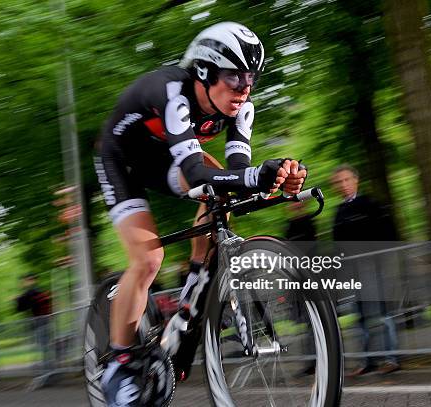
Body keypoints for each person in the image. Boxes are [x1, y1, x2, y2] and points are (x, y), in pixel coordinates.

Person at [94, 22, 307, 406]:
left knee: (222, 196)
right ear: (206, 72)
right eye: (234, 77)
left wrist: (276, 179)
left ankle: (194, 288)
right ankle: (118, 365)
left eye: (251, 79)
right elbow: (195, 172)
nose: (244, 88)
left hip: (165, 159)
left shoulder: (241, 108)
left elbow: (236, 169)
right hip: (120, 161)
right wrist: (257, 175)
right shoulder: (174, 92)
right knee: (148, 259)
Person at [331, 164, 400, 376]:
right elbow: (337, 245)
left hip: (373, 267)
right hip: (353, 272)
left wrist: (380, 259)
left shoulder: (370, 204)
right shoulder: (339, 212)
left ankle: (391, 359)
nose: (343, 185)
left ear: (355, 180)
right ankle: (367, 362)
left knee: (382, 314)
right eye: (339, 182)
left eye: (346, 180)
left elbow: (389, 232)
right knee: (359, 318)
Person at [16, 274, 53, 372]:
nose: (24, 283)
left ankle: (47, 372)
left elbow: (22, 307)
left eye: (25, 281)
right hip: (41, 322)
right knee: (43, 347)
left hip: (40, 322)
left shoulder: (33, 292)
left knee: (43, 348)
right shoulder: (35, 292)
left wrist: (18, 299)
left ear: (31, 280)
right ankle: (47, 371)